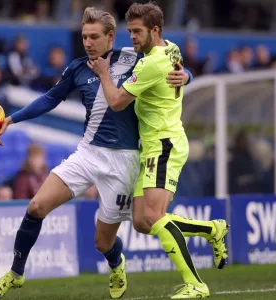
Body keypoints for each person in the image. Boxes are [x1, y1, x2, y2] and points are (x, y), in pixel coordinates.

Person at [0, 6, 191, 300]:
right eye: (84, 36)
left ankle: (115, 263)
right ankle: (15, 274)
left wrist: (186, 76)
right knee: (36, 207)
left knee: (102, 242)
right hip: (86, 154)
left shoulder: (137, 59)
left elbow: (173, 65)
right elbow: (49, 99)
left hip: (124, 162)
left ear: (111, 37)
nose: (88, 42)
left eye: (94, 36)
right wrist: (12, 119)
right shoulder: (77, 68)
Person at [89, 2, 229, 299]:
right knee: (141, 222)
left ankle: (195, 284)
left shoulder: (151, 63)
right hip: (157, 144)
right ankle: (212, 230)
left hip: (163, 144)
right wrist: (187, 76)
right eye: (129, 32)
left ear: (155, 30)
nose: (133, 38)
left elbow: (115, 101)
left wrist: (103, 72)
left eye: (137, 32)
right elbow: (181, 68)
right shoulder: (170, 47)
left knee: (153, 216)